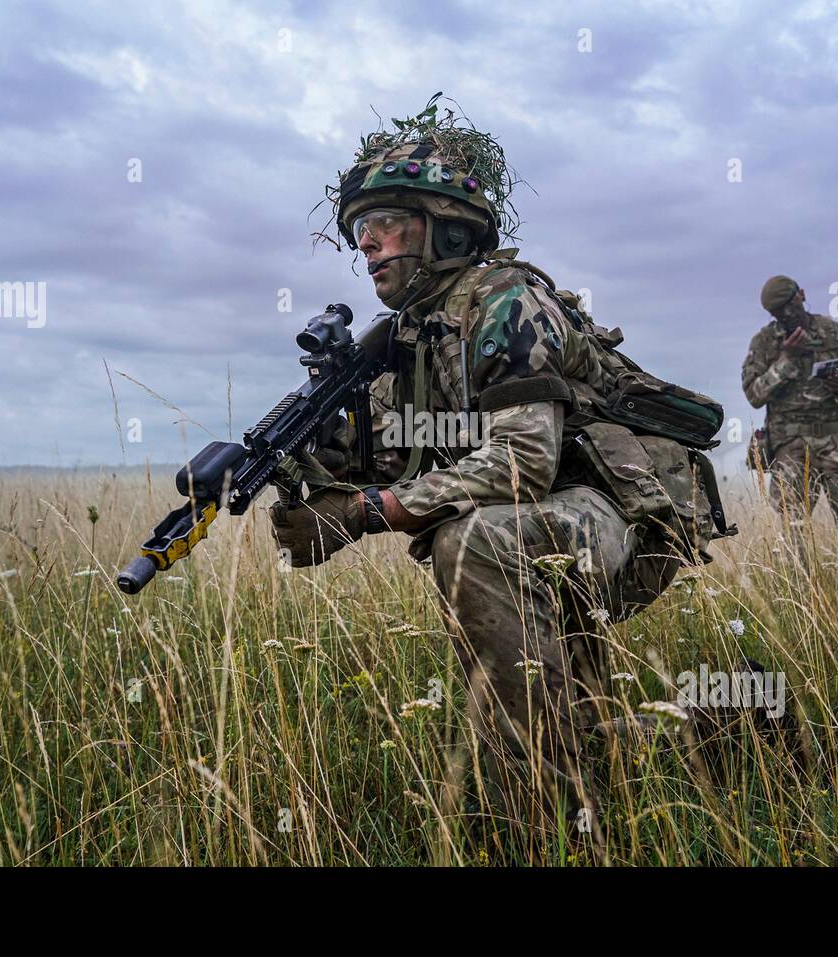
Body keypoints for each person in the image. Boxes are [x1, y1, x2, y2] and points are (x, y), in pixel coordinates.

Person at [268, 99, 719, 835]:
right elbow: (386, 453)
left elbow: (523, 464)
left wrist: (366, 513)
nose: (368, 246)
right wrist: (304, 481)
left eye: (385, 225)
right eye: (359, 232)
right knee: (579, 708)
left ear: (446, 225)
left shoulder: (507, 300)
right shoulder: (409, 343)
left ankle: (548, 827)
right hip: (545, 524)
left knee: (473, 543)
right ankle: (731, 730)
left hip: (613, 512)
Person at [742, 275, 838, 551]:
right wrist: (786, 359)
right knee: (792, 538)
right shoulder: (766, 342)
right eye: (778, 311)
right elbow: (754, 394)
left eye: (789, 305)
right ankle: (801, 594)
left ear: (802, 295)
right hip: (790, 448)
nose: (787, 314)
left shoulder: (837, 333)